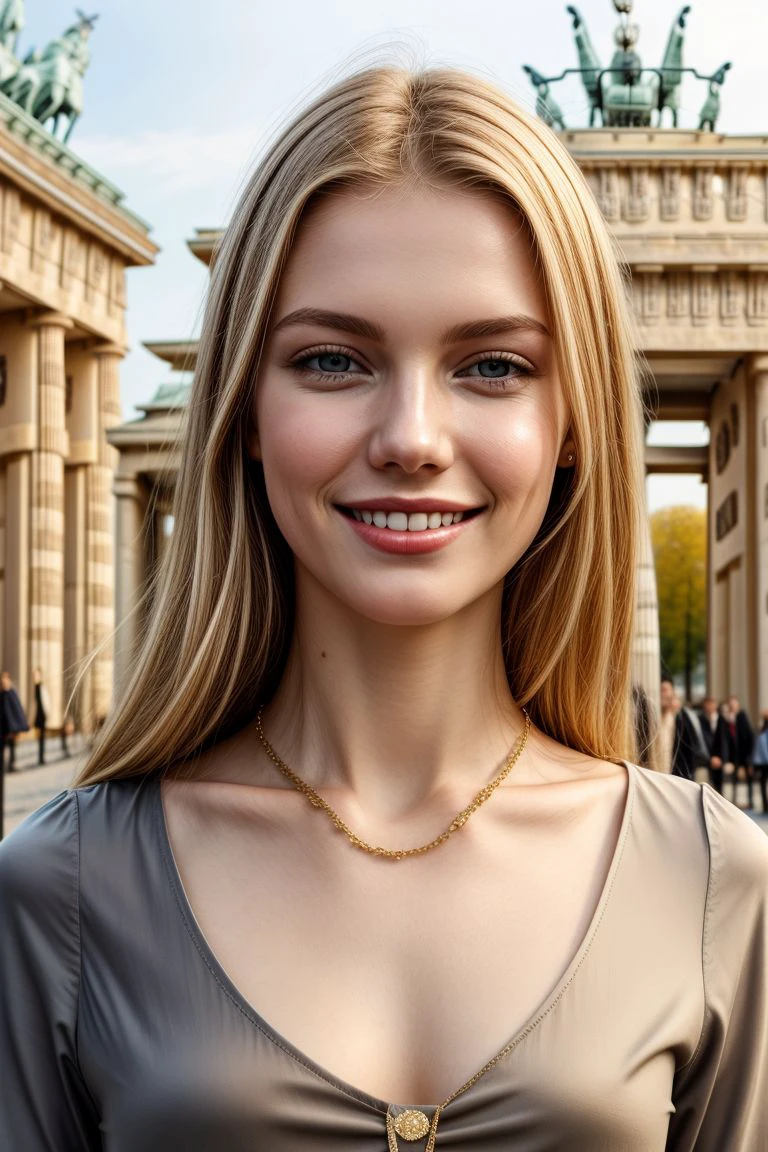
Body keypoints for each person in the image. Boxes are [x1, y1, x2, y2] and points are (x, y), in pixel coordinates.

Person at [1, 64, 767, 1150]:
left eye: (494, 365)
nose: (411, 436)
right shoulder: (62, 890)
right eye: (331, 359)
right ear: (246, 410)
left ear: (575, 425)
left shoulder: (712, 877)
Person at [722, 694, 755, 808]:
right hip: (734, 755)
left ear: (737, 705)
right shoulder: (727, 718)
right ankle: (734, 801)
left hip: (745, 753)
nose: (732, 706)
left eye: (733, 704)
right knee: (734, 779)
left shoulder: (742, 716)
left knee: (749, 778)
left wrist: (749, 757)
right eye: (730, 705)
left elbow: (749, 736)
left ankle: (750, 801)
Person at [699, 694, 728, 795]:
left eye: (712, 704)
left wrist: (723, 759)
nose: (710, 706)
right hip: (706, 759)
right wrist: (709, 759)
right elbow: (700, 741)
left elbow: (726, 742)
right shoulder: (699, 720)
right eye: (708, 704)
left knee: (720, 789)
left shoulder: (722, 720)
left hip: (720, 760)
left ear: (716, 705)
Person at [0, 670, 28, 773]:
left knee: (12, 746)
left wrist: (20, 725)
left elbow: (17, 709)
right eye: (2, 679)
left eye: (6, 679)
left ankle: (12, 763)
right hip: (3, 726)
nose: (4, 681)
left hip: (12, 726)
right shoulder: (2, 694)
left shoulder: (12, 693)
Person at [32, 666, 50, 766]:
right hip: (36, 715)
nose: (35, 677)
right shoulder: (34, 687)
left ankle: (41, 758)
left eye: (37, 675)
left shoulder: (42, 687)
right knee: (39, 737)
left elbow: (46, 702)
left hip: (41, 715)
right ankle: (40, 757)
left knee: (41, 737)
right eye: (34, 675)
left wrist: (47, 715)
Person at [754, 710, 768, 815]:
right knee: (763, 784)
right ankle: (765, 806)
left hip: (763, 763)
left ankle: (765, 806)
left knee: (763, 784)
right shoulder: (762, 732)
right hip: (764, 762)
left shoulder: (762, 731)